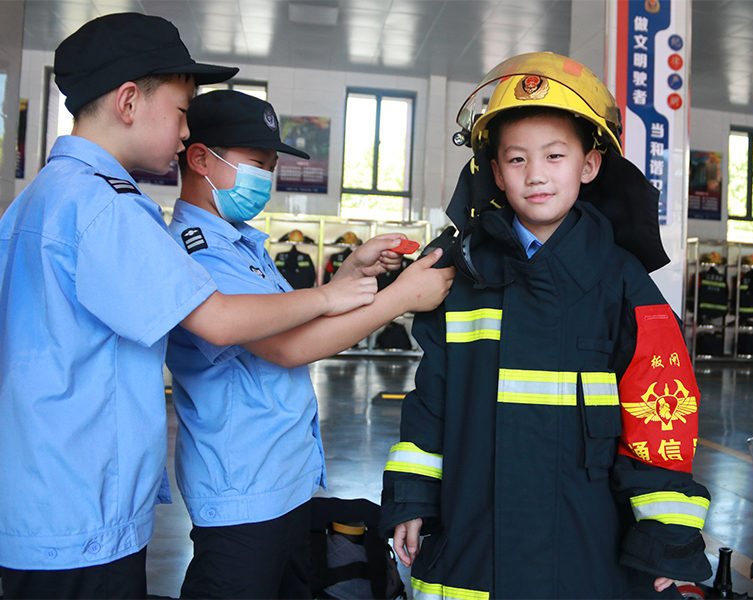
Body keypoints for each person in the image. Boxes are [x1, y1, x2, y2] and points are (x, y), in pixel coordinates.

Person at [0, 14, 380, 599]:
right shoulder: (104, 206)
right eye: (180, 111)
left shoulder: (38, 201)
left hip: (44, 494)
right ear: (129, 101)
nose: (183, 132)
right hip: (79, 510)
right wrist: (334, 293)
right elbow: (222, 320)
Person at [380, 52, 713, 599]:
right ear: (494, 171)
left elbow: (661, 415)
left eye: (555, 155)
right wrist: (413, 496)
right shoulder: (460, 276)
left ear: (589, 166)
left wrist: (669, 535)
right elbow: (432, 400)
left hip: (587, 546)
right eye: (516, 159)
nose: (535, 174)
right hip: (475, 537)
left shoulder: (623, 284)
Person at [165, 89, 454, 599]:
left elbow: (301, 324)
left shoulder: (243, 243)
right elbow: (286, 349)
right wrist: (401, 298)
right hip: (242, 487)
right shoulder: (201, 252)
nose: (266, 177)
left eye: (270, 165)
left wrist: (351, 273)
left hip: (282, 479)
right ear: (200, 158)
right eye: (257, 162)